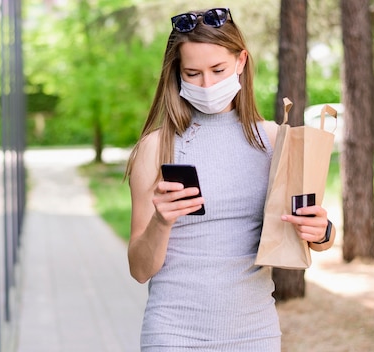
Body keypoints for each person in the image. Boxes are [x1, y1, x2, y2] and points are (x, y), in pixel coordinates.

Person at [124, 7, 335, 351]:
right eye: (192, 73)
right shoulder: (154, 148)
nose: (207, 84)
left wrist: (323, 230)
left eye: (218, 70)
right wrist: (161, 222)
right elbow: (139, 269)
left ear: (241, 62)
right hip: (173, 334)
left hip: (254, 333)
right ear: (176, 74)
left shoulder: (273, 140)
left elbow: (316, 235)